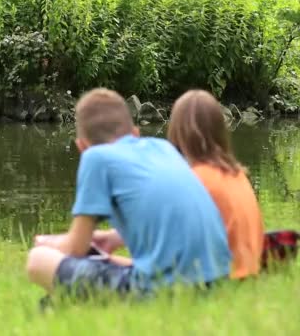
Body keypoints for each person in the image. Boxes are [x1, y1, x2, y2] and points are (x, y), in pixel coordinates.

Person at [26, 88, 231, 299]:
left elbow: (76, 248)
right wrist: (114, 238)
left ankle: (65, 301)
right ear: (135, 133)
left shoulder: (95, 158)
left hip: (165, 290)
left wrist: (51, 243)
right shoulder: (164, 148)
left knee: (38, 259)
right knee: (100, 262)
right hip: (217, 280)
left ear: (82, 146)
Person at [167, 90, 264, 279]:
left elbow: (171, 253)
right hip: (247, 269)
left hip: (218, 276)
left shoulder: (194, 180)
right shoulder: (238, 175)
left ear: (178, 131)